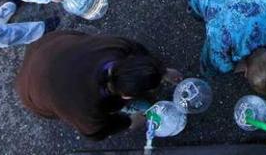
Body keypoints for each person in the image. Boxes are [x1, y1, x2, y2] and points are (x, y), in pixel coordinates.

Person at [15, 30, 181, 140]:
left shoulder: (114, 48)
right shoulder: (86, 110)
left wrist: (163, 71)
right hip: (32, 89)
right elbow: (95, 132)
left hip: (47, 48)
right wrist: (129, 122)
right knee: (142, 106)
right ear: (126, 96)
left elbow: (138, 50)